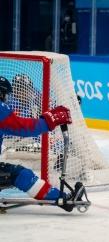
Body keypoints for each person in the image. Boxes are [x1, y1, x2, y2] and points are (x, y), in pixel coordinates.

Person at [0, 76, 81, 212]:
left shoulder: (33, 101)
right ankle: (62, 199)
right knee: (22, 175)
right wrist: (49, 121)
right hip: (21, 142)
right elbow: (22, 127)